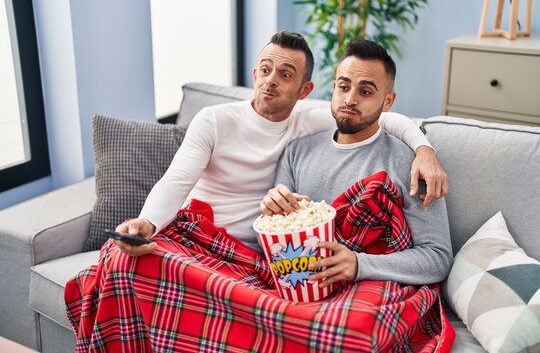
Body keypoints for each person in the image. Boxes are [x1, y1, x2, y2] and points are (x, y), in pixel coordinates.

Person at [114, 30, 447, 256]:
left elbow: (379, 117)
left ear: (305, 91)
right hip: (197, 232)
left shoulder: (311, 121)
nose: (271, 80)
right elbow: (176, 181)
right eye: (265, 69)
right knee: (120, 262)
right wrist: (148, 222)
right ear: (255, 73)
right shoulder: (213, 120)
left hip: (255, 252)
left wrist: (424, 149)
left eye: (286, 74)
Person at [260, 38, 453, 287]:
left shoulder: (413, 165)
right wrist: (270, 206)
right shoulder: (297, 152)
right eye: (343, 87)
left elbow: (437, 257)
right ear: (334, 88)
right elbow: (276, 237)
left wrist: (360, 264)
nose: (350, 99)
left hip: (369, 289)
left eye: (365, 92)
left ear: (387, 102)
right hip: (301, 282)